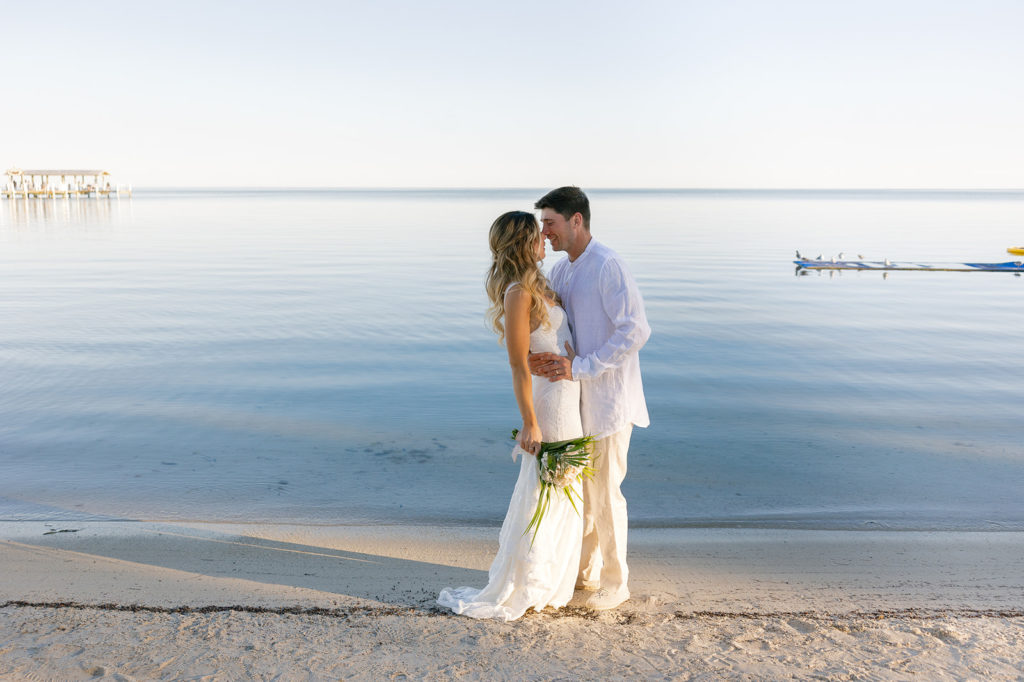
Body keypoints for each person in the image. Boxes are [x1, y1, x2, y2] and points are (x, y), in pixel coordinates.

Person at [437, 211, 585, 621]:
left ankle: (554, 578)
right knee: (548, 488)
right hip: (550, 403)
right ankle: (533, 580)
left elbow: (560, 339)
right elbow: (519, 365)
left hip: (569, 393)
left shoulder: (543, 285)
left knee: (567, 492)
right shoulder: (519, 292)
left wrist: (573, 360)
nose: (544, 239)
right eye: (537, 235)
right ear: (523, 244)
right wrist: (530, 421)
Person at [528, 186, 650, 611]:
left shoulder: (607, 265)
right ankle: (583, 574)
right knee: (581, 494)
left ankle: (617, 583)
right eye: (543, 224)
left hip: (610, 402)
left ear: (576, 220)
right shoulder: (563, 271)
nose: (545, 233)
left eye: (551, 223)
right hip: (575, 405)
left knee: (605, 494)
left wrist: (582, 367)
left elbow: (635, 331)